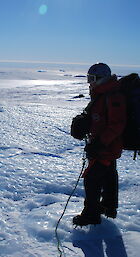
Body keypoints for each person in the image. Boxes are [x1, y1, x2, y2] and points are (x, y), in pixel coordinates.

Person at [71, 63, 126, 226]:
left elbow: (117, 124)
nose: (90, 82)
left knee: (91, 178)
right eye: (89, 78)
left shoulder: (113, 96)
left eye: (93, 79)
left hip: (107, 147)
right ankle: (108, 207)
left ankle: (91, 215)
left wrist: (100, 143)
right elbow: (100, 117)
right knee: (108, 175)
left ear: (103, 78)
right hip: (104, 144)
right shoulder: (102, 94)